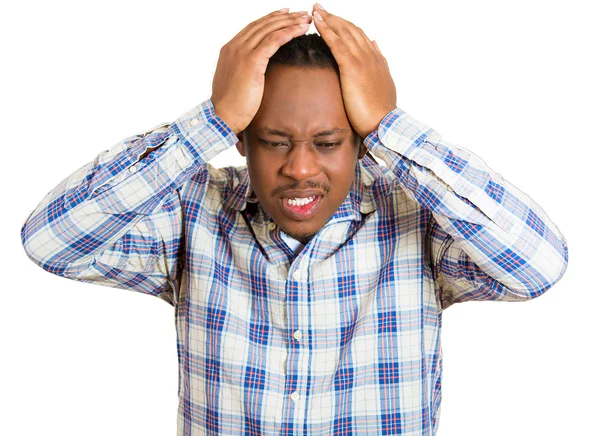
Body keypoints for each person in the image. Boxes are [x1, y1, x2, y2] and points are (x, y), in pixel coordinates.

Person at [20, 4, 568, 435]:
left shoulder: (418, 219)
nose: (300, 168)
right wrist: (206, 121)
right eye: (274, 141)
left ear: (362, 144)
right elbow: (49, 241)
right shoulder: (192, 215)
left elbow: (539, 265)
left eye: (328, 142)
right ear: (239, 139)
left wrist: (389, 124)